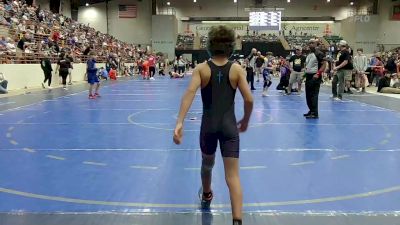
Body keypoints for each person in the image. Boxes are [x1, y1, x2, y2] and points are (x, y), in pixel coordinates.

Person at [173, 26, 253, 225]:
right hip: (229, 128)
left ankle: (207, 194)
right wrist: (245, 119)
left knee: (207, 165)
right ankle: (237, 220)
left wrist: (180, 122)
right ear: (230, 47)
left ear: (209, 46)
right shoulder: (236, 69)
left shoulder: (201, 69)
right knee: (232, 176)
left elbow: (189, 94)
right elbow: (249, 99)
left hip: (208, 127)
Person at [304, 39, 326, 119]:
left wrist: (318, 73)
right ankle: (311, 110)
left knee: (313, 95)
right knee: (308, 95)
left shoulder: (319, 53)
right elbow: (308, 66)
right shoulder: (309, 54)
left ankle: (314, 113)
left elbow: (324, 64)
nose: (311, 44)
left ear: (316, 44)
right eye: (309, 43)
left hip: (315, 76)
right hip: (308, 76)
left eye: (313, 43)